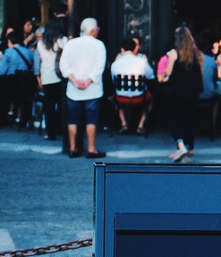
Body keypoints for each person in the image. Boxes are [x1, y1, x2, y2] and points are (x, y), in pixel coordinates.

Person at [59, 17, 107, 159]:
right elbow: (99, 66)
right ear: (92, 30)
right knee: (91, 119)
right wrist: (88, 81)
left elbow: (64, 65)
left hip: (73, 89)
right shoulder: (99, 45)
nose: (98, 31)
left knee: (72, 119)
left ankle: (73, 148)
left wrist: (74, 80)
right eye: (97, 28)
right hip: (92, 89)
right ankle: (91, 149)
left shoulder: (71, 44)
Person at [162, 25, 203, 162]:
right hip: (192, 91)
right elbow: (201, 73)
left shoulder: (174, 53)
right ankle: (187, 147)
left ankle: (180, 146)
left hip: (177, 91)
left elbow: (168, 71)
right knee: (188, 119)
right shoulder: (197, 54)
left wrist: (164, 75)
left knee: (174, 119)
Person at [110, 33, 154, 136]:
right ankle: (141, 125)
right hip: (139, 97)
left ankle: (124, 123)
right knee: (150, 99)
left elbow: (113, 81)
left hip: (121, 97)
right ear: (134, 48)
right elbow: (151, 76)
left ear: (122, 49)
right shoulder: (142, 62)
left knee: (115, 97)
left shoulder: (115, 64)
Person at [34, 20, 67, 141]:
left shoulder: (41, 43)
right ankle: (61, 129)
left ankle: (50, 133)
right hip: (60, 76)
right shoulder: (63, 41)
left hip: (47, 77)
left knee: (49, 106)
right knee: (62, 104)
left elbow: (38, 62)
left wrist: (38, 78)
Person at [0, 28, 36, 126]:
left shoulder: (8, 52)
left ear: (9, 41)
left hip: (12, 84)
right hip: (27, 84)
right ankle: (19, 116)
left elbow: (1, 71)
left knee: (5, 87)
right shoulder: (29, 52)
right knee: (20, 92)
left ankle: (9, 112)